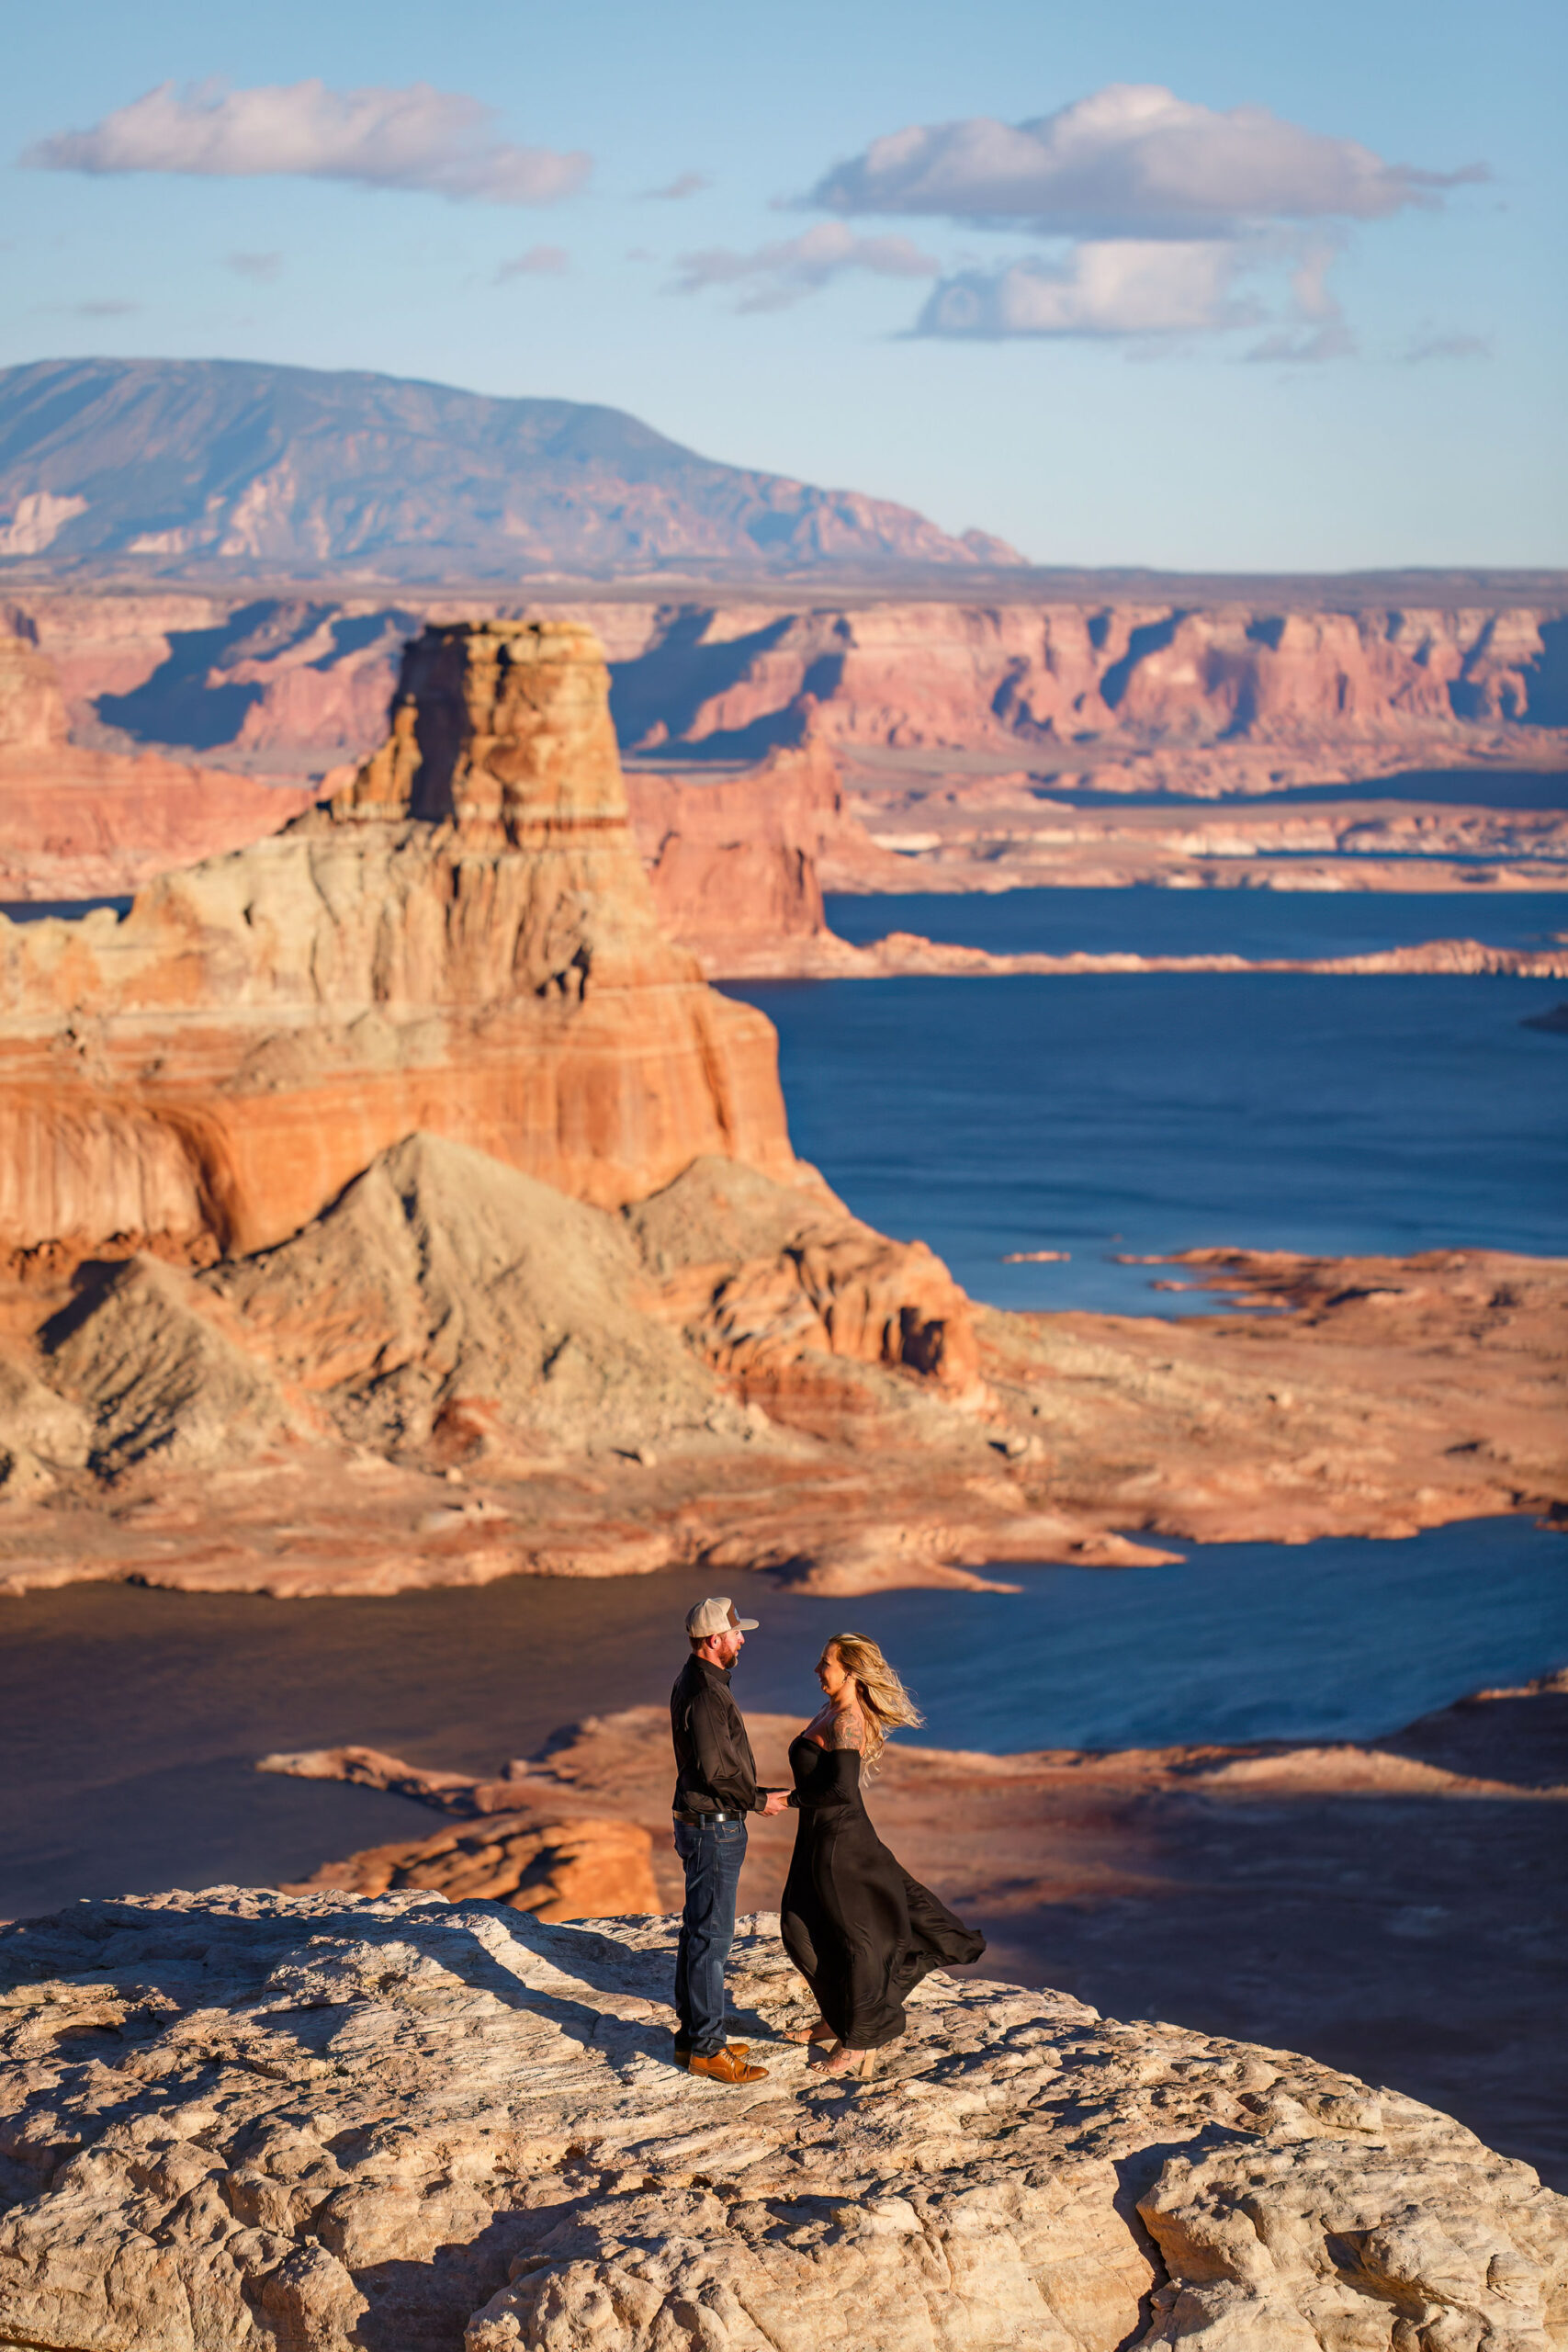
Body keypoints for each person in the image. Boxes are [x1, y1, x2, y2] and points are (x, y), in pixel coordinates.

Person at [781, 1633, 986, 2079]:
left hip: (841, 1844)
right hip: (816, 1837)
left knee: (856, 1941)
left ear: (851, 1672)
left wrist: (786, 1800)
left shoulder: (847, 1720)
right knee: (799, 1930)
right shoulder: (831, 1709)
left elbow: (840, 1791)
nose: (818, 1670)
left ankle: (859, 2039)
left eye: (826, 1663)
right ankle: (838, 2016)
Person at [670, 1596, 789, 2083]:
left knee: (699, 1931)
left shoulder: (700, 1682)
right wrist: (760, 1800)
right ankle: (706, 2050)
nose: (743, 1640)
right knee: (711, 1939)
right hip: (713, 1828)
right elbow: (718, 1771)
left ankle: (694, 2036)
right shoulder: (704, 1694)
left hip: (706, 1824)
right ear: (714, 1640)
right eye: (737, 1634)